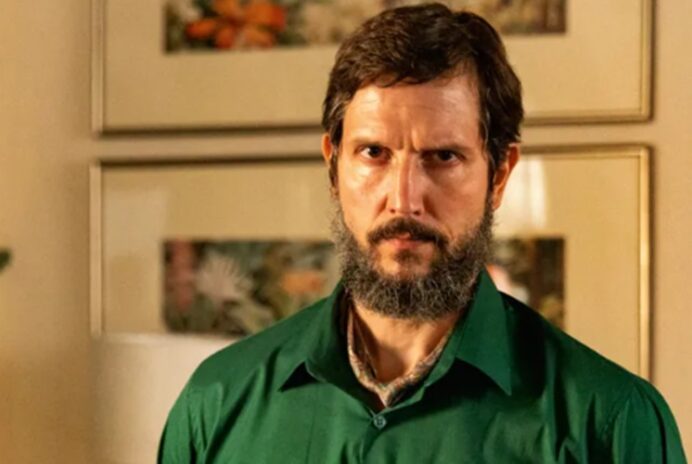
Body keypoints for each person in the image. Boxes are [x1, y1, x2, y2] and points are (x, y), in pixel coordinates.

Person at [158, 4, 686, 463]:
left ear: (499, 174)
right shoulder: (216, 403)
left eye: (443, 157)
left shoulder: (611, 423)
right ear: (333, 165)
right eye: (373, 153)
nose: (404, 199)